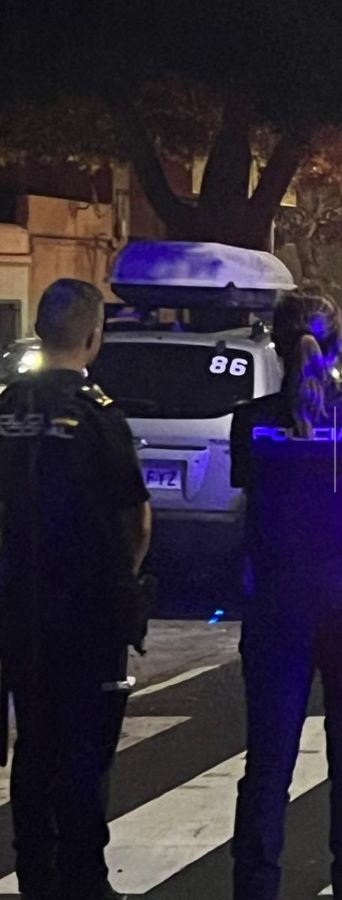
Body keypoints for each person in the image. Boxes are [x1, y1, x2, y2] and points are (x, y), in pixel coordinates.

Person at [230, 294, 342, 900]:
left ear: (275, 346)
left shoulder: (250, 423)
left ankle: (255, 889)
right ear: (338, 348)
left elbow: (250, 500)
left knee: (268, 766)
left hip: (278, 603)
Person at [0, 279, 153, 900]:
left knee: (33, 742)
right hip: (87, 609)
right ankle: (83, 876)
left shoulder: (5, 408)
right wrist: (127, 577)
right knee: (86, 748)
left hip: (17, 604)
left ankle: (34, 869)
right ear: (93, 337)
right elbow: (135, 518)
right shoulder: (99, 414)